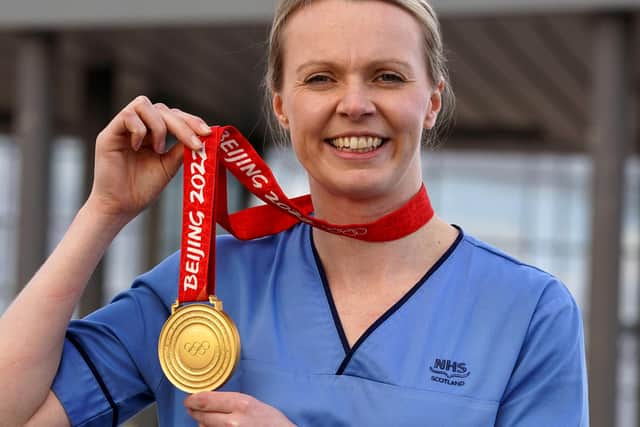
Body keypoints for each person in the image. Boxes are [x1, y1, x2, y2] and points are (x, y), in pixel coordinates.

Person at [0, 0, 588, 426]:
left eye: (387, 76)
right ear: (282, 105)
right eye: (320, 78)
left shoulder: (527, 311)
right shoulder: (199, 285)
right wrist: (105, 210)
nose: (354, 104)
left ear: (430, 101)